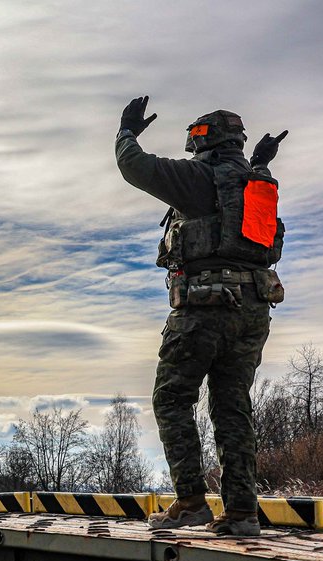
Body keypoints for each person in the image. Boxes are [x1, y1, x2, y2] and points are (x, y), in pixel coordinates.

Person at [115, 97, 287, 536]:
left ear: (202, 141)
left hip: (204, 308)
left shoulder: (197, 177)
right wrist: (259, 164)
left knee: (172, 398)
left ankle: (191, 501)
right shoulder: (259, 187)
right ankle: (243, 513)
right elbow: (262, 243)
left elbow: (137, 167)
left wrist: (127, 131)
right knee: (233, 406)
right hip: (253, 312)